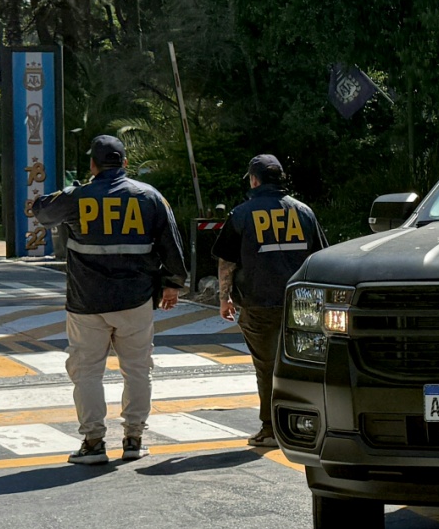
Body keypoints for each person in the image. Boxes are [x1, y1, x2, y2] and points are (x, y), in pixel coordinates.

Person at [28, 135, 187, 465]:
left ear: (93, 165)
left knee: (87, 372)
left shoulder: (78, 196)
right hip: (136, 301)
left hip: (87, 303)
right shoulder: (149, 196)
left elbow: (41, 211)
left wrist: (71, 190)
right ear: (125, 163)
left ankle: (93, 442)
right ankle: (134, 438)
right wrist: (173, 284)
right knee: (138, 371)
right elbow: (171, 243)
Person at [214, 154, 327, 447]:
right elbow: (319, 257)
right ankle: (308, 426)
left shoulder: (241, 214)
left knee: (266, 366)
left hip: (257, 303)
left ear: (254, 180)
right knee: (303, 365)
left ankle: (270, 429)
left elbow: (227, 261)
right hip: (300, 305)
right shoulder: (304, 212)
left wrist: (224, 298)